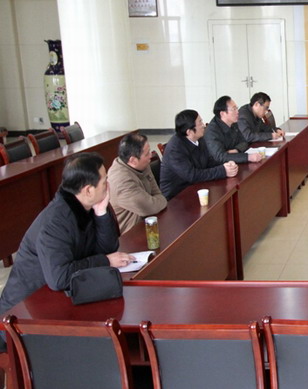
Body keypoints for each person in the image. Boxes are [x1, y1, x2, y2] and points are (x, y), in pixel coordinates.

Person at [0, 153, 135, 351]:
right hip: (18, 318)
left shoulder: (83, 205)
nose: (108, 185)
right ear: (88, 190)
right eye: (104, 181)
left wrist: (101, 212)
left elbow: (107, 248)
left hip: (53, 301)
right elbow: (59, 277)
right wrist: (105, 261)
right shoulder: (55, 222)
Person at [160, 109, 238, 200]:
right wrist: (222, 171)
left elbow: (209, 161)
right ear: (189, 132)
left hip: (195, 186)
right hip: (176, 196)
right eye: (200, 123)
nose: (203, 125)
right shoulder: (175, 149)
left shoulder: (199, 138)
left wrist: (226, 165)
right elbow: (192, 175)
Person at [107, 132, 167, 234]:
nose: (150, 155)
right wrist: (158, 201)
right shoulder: (121, 181)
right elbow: (151, 206)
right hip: (131, 233)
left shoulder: (142, 164)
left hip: (149, 220)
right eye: (147, 154)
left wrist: (157, 201)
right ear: (133, 160)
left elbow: (157, 194)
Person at [205, 95, 263, 164]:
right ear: (222, 113)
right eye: (234, 109)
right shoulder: (212, 131)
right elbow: (220, 156)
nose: (237, 112)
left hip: (234, 162)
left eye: (236, 108)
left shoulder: (233, 123)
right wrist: (248, 157)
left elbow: (244, 141)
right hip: (220, 166)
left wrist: (237, 150)